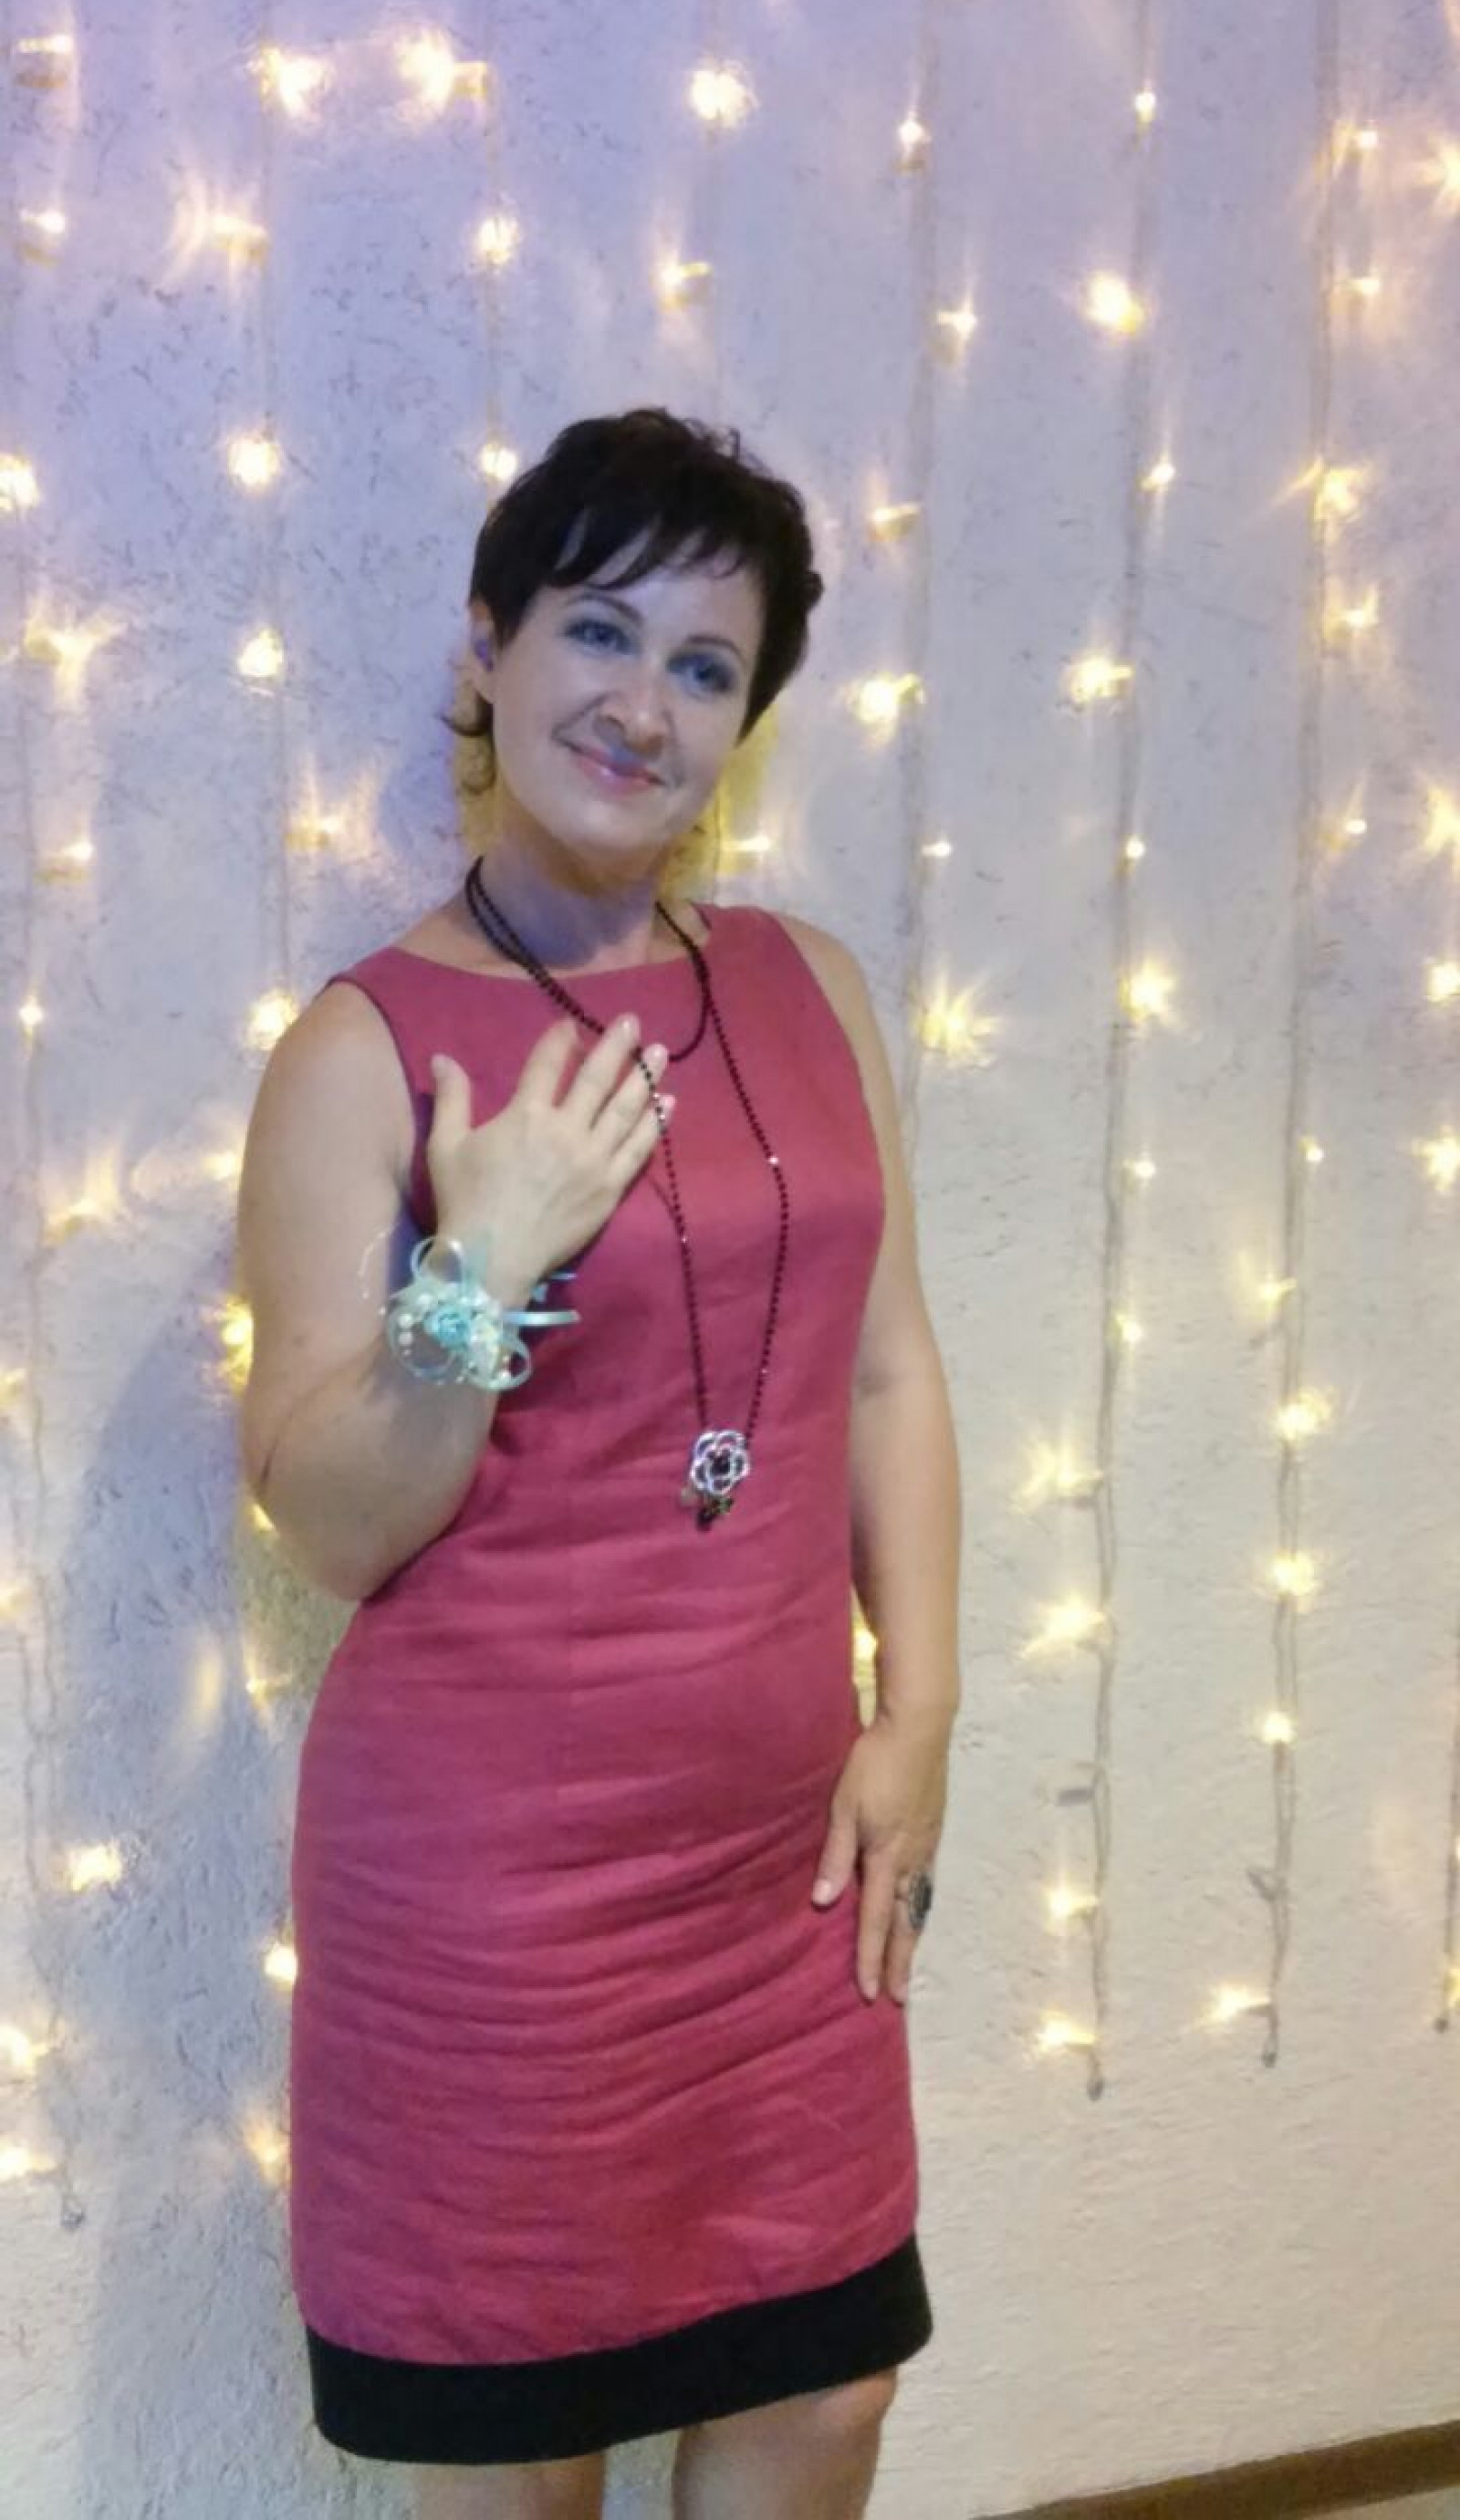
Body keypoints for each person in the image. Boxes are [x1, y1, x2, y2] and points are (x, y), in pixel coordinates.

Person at [235, 405, 962, 2520]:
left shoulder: (808, 989)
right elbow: (330, 1520)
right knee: (522, 2457)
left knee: (823, 2394)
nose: (644, 705)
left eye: (704, 666)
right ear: (489, 642)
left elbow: (884, 1375)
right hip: (491, 1901)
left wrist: (917, 1714)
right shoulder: (360, 1048)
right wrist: (475, 1270)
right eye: (599, 631)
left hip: (778, 1870)